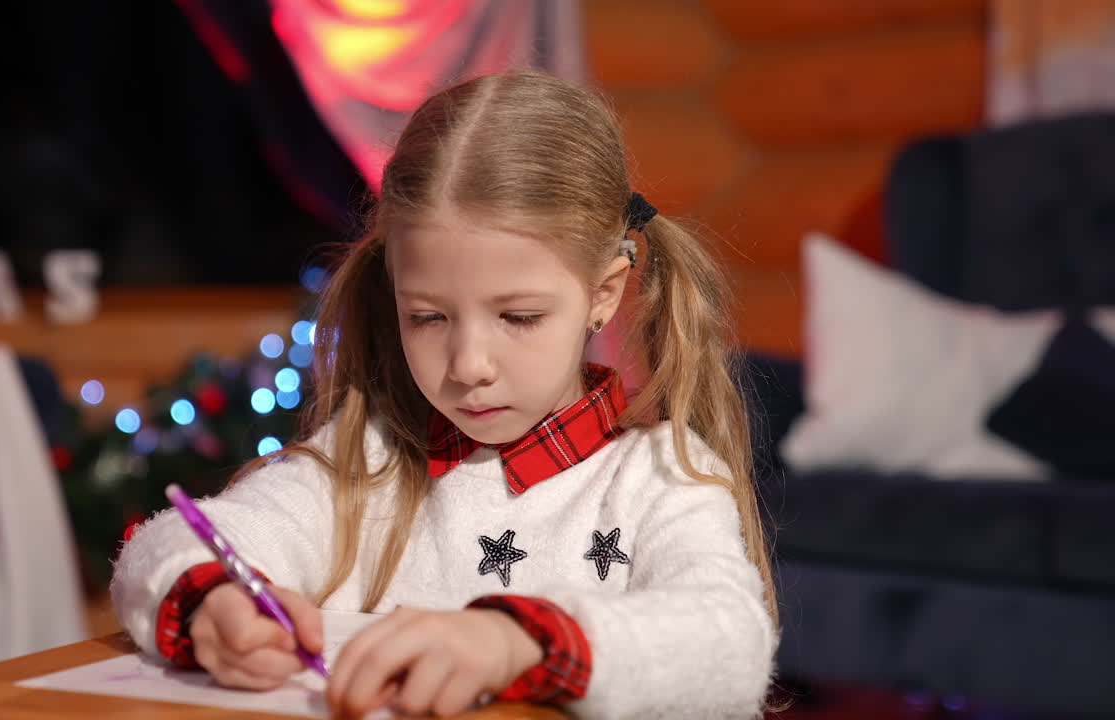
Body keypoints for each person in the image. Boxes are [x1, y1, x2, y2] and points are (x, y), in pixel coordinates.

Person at [112, 68, 777, 719]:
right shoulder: (362, 465)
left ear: (603, 294)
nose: (468, 365)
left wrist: (517, 642)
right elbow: (165, 548)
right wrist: (217, 605)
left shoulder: (659, 478)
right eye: (427, 317)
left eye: (518, 318)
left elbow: (730, 642)